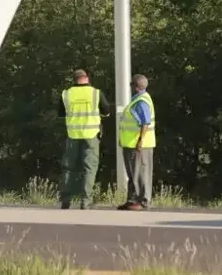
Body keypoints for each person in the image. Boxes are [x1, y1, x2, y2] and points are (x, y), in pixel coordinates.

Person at [57, 68, 112, 209]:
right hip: (91, 134)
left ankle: (65, 200)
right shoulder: (96, 93)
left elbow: (61, 114)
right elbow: (106, 111)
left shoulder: (66, 94)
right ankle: (85, 201)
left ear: (74, 79)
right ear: (87, 78)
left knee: (68, 168)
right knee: (89, 168)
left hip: (73, 135)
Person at [117, 73, 155, 210]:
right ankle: (132, 199)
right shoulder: (138, 99)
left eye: (131, 84)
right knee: (133, 173)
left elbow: (145, 123)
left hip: (138, 145)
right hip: (130, 143)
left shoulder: (141, 102)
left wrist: (140, 141)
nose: (130, 87)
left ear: (136, 86)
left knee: (139, 173)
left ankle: (142, 200)